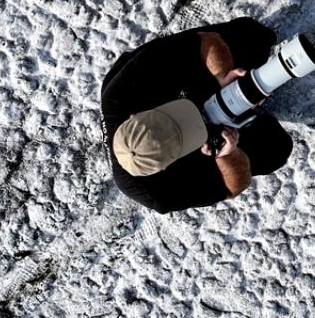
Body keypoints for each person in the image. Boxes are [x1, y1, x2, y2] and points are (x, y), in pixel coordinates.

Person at [100, 17, 294, 213]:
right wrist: (228, 154)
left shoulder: (124, 91)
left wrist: (223, 78)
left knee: (254, 36)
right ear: (164, 168)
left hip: (176, 77)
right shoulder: (155, 193)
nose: (196, 120)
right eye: (186, 134)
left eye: (177, 117)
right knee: (276, 149)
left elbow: (207, 41)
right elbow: (231, 188)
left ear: (136, 113)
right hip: (213, 147)